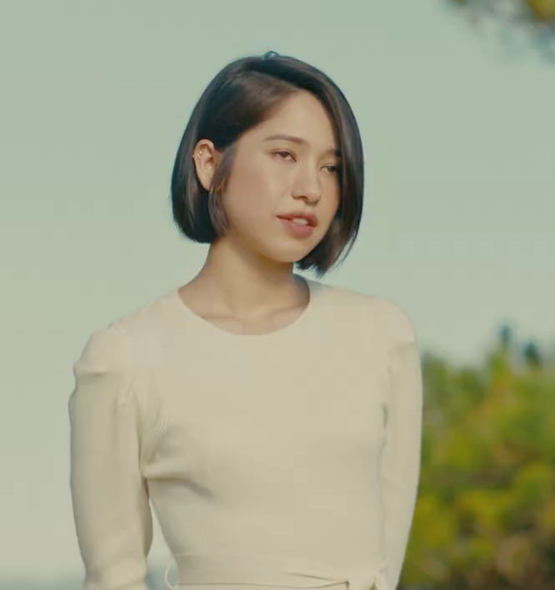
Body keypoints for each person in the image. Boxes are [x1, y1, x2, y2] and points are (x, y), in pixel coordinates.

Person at [68, 52, 423, 590]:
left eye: (332, 167)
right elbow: (113, 577)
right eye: (284, 154)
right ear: (209, 164)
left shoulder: (381, 337)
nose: (312, 188)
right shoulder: (126, 360)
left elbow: (387, 563)